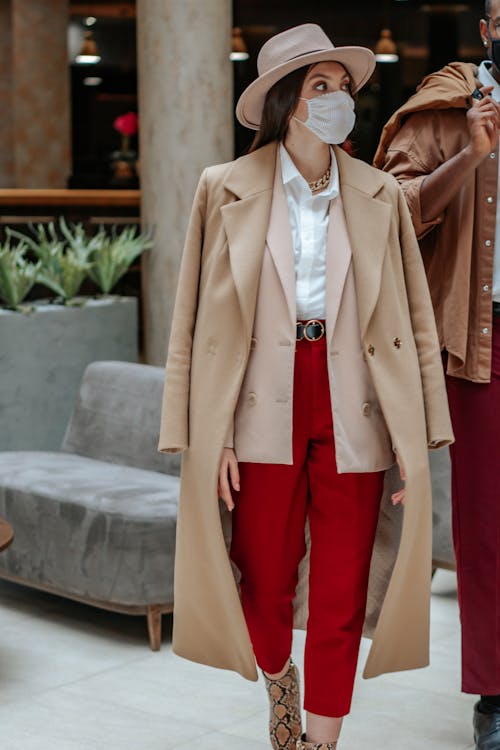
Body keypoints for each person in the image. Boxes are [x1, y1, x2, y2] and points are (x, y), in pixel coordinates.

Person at [159, 23, 453, 750]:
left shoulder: (381, 193)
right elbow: (192, 325)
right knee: (261, 574)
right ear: (287, 103)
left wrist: (421, 443)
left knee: (343, 586)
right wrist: (205, 433)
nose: (337, 100)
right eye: (321, 87)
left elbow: (416, 325)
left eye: (344, 88)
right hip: (260, 398)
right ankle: (278, 681)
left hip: (356, 396)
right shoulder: (220, 188)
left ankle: (317, 741)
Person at [375, 3, 500, 748]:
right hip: (486, 341)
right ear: (486, 27)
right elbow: (393, 214)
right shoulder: (444, 109)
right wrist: (473, 155)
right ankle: (495, 693)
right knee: (488, 527)